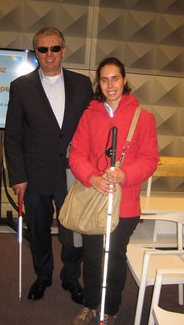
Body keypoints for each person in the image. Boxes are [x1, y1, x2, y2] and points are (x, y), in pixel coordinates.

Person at [4, 27, 93, 303]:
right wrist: (18, 176)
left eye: (55, 48)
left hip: (72, 173)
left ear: (63, 50)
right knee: (39, 230)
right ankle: (43, 275)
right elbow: (13, 135)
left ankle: (70, 278)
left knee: (72, 231)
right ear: (36, 53)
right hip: (34, 175)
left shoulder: (82, 84)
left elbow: (91, 130)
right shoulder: (20, 87)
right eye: (43, 49)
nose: (49, 54)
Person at [69, 57, 159, 325]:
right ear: (99, 82)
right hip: (95, 199)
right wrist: (92, 178)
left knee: (116, 257)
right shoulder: (89, 114)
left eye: (115, 78)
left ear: (124, 80)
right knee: (93, 255)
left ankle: (110, 308)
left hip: (125, 202)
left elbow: (150, 159)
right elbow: (77, 155)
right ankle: (91, 302)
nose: (110, 85)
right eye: (104, 79)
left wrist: (125, 174)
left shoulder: (144, 117)